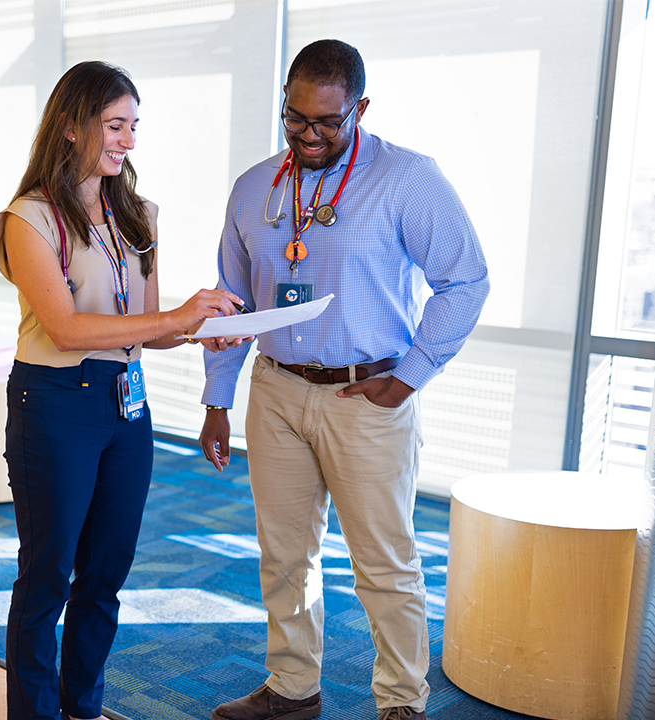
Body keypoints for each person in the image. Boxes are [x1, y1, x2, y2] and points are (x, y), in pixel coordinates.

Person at [199, 40, 490, 720]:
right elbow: (231, 301)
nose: (309, 135)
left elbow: (465, 280)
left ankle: (400, 702)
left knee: (384, 564)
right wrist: (218, 397)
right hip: (275, 390)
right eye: (295, 118)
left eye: (328, 122)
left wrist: (412, 374)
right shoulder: (254, 188)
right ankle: (293, 688)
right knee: (284, 555)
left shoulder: (407, 179)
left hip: (368, 393)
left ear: (359, 108)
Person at [0, 60, 245, 720]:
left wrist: (197, 332)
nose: (129, 140)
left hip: (124, 404)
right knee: (48, 576)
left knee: (106, 572)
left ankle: (84, 706)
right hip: (52, 402)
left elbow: (142, 328)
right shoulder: (30, 219)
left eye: (134, 126)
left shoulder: (137, 214)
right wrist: (176, 318)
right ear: (72, 128)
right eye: (115, 125)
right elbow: (68, 327)